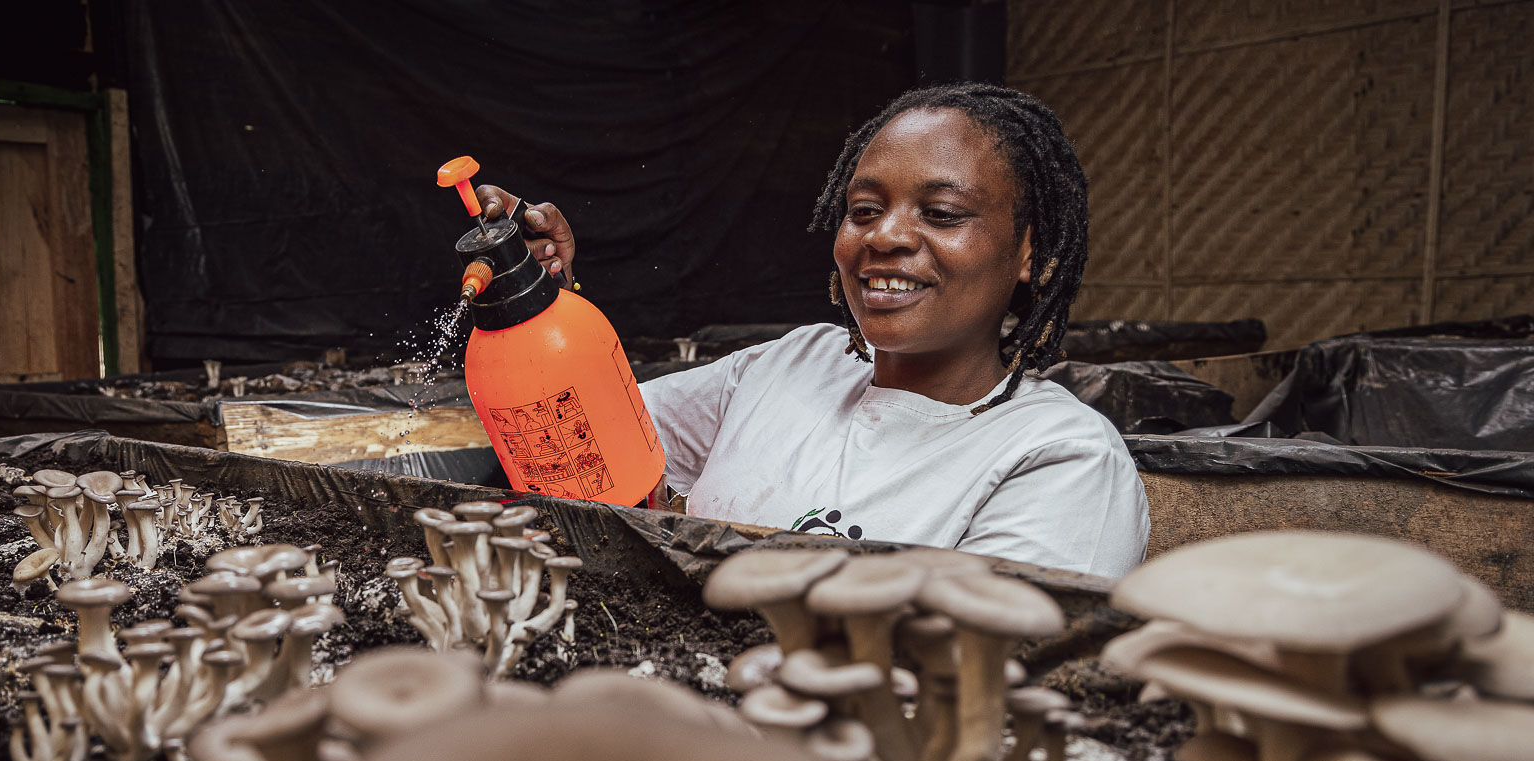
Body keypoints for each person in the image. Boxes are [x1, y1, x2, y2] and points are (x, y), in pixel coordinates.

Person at [478, 82, 1150, 578]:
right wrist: (539, 310)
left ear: (1033, 253)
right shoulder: (791, 366)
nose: (884, 235)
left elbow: (979, 683)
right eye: (863, 209)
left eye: (942, 213)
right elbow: (582, 450)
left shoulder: (1061, 457)